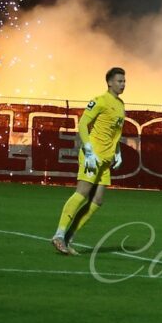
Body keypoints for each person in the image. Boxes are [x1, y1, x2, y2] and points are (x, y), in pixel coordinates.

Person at [51, 68, 127, 254]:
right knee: (82, 193)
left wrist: (117, 152)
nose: (123, 84)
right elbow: (83, 124)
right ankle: (59, 235)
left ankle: (68, 238)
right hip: (92, 155)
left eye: (124, 81)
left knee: (97, 201)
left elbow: (115, 131)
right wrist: (89, 150)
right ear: (109, 82)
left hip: (106, 158)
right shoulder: (100, 100)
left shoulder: (120, 104)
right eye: (119, 81)